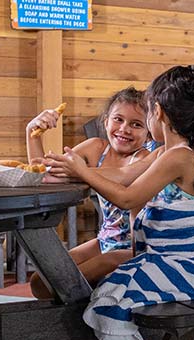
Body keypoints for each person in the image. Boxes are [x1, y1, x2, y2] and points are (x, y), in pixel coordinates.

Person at [41, 65, 194, 340]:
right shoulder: (165, 154)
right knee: (109, 287)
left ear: (158, 112)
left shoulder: (180, 156)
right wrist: (70, 166)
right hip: (169, 261)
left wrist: (82, 172)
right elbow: (120, 175)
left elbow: (126, 198)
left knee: (110, 295)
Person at [27, 87, 157, 295]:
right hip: (104, 240)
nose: (124, 129)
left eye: (136, 124)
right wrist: (33, 133)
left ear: (149, 133)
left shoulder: (142, 160)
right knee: (41, 280)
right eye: (118, 119)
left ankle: (90, 318)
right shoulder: (96, 148)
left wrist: (80, 171)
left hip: (136, 247)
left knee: (66, 285)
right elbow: (44, 174)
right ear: (106, 121)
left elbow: (123, 174)